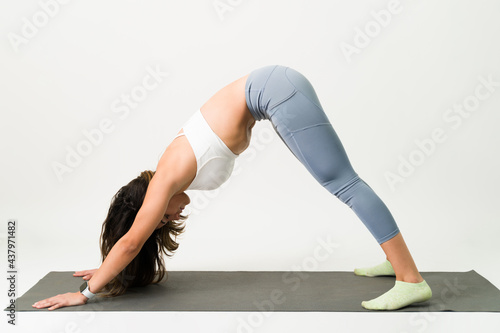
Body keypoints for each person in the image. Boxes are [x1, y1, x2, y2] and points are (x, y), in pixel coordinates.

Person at [32, 65, 432, 311]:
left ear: (148, 205)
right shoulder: (166, 175)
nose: (172, 215)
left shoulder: (165, 177)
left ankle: (410, 280)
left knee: (342, 183)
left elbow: (132, 242)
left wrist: (86, 293)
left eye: (163, 216)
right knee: (342, 180)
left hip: (277, 92)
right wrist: (106, 268)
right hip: (278, 87)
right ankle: (396, 262)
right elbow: (132, 240)